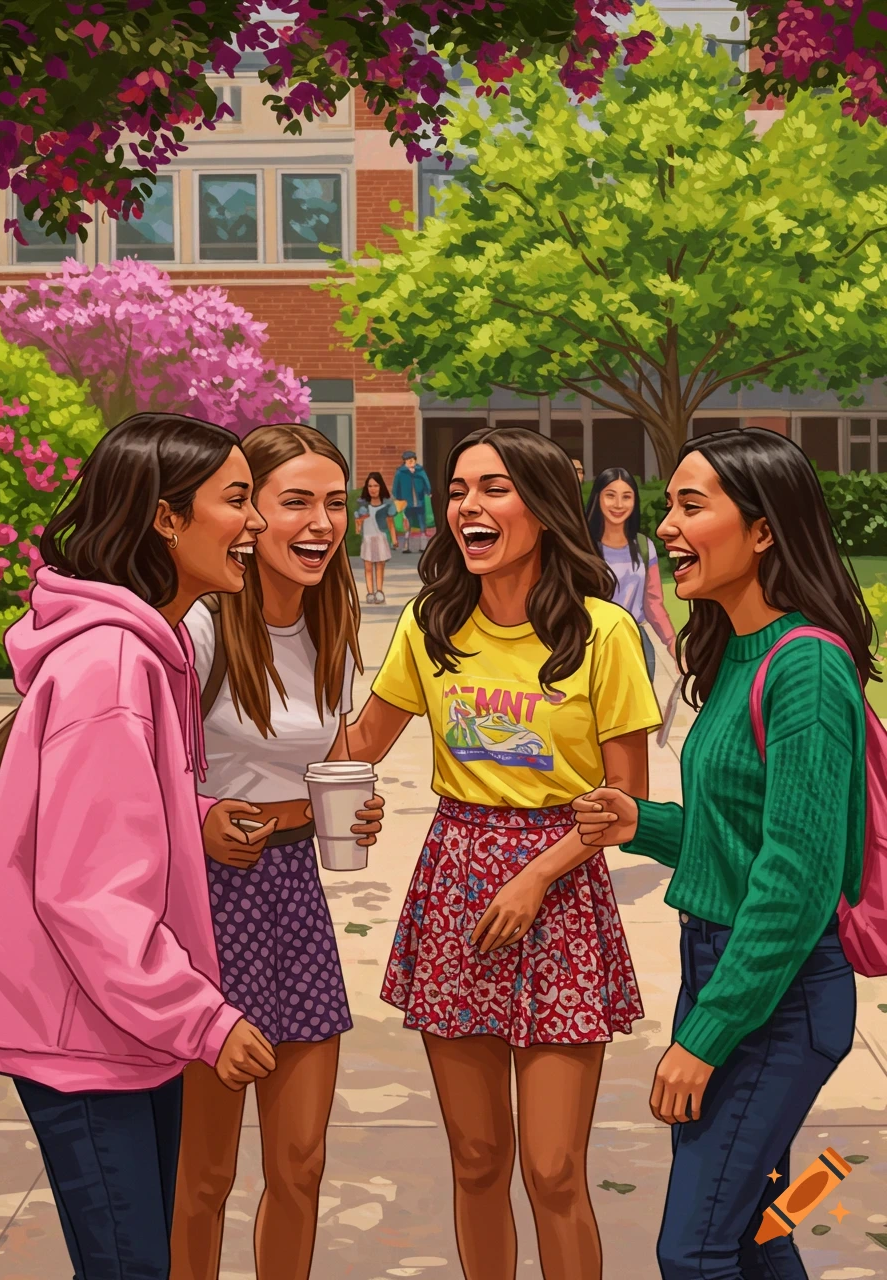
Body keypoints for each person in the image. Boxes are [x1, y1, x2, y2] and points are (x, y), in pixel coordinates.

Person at [346, 426, 661, 1280]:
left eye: (492, 489)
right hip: (455, 884)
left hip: (558, 889)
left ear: (544, 509)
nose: (467, 508)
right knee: (478, 1160)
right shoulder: (430, 621)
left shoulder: (603, 633)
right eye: (457, 491)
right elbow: (360, 742)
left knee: (554, 1170)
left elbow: (625, 804)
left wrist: (536, 875)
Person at [574, 427, 868, 1280]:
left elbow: (794, 880)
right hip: (727, 970)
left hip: (772, 990)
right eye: (668, 507)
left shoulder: (805, 666)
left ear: (765, 529)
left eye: (691, 506)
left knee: (694, 1249)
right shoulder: (738, 654)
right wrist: (641, 823)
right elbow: (739, 834)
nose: (666, 526)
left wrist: (704, 1038)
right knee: (751, 1229)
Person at [0, 412, 278, 1280]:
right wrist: (202, 1017)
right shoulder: (113, 664)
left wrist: (190, 813)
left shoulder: (141, 653)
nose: (256, 523)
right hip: (87, 1037)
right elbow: (85, 895)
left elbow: (96, 805)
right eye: (237, 500)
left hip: (123, 1029)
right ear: (166, 517)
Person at [172, 423, 385, 1280]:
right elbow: (139, 774)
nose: (321, 522)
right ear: (248, 513)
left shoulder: (333, 623)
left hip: (296, 890)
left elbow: (331, 758)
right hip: (205, 903)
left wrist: (350, 808)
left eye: (334, 503)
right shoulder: (197, 631)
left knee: (300, 1166)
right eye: (295, 500)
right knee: (205, 1173)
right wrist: (199, 815)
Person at [585, 466, 677, 681]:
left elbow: (653, 603)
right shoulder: (583, 546)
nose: (618, 504)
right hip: (591, 641)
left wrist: (673, 643)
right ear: (598, 498)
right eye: (610, 496)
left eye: (626, 497)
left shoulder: (644, 546)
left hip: (636, 641)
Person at [355, 470, 397, 604]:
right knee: (368, 566)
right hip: (367, 539)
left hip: (381, 538)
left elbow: (391, 523)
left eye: (376, 486)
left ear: (381, 487)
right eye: (370, 486)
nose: (373, 489)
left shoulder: (387, 504)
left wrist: (394, 539)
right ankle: (370, 592)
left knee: (380, 566)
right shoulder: (362, 505)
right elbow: (357, 529)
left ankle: (379, 591)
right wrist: (360, 522)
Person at [392, 449, 431, 554]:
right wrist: (397, 497)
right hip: (407, 502)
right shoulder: (401, 472)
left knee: (422, 522)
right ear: (404, 461)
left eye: (412, 460)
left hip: (419, 501)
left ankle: (423, 546)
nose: (411, 462)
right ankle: (406, 546)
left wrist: (428, 491)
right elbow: (396, 486)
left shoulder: (420, 471)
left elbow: (426, 481)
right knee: (407, 523)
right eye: (408, 460)